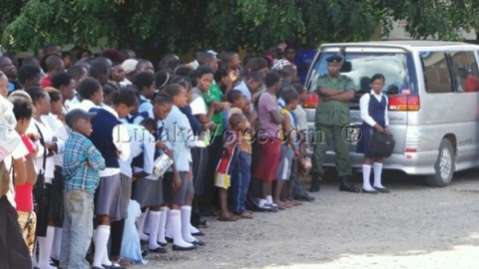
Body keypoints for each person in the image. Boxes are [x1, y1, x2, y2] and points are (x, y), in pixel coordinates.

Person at [88, 88, 133, 269]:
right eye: (128, 110)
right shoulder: (117, 125)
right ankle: (99, 261)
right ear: (121, 106)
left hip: (90, 170)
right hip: (109, 171)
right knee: (105, 215)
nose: (127, 114)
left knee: (92, 216)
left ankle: (103, 258)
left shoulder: (92, 114)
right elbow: (124, 155)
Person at [61, 109, 106, 269]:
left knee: (69, 229)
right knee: (82, 231)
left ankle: (65, 264)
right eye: (88, 121)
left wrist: (88, 162)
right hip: (83, 192)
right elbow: (101, 163)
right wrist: (89, 161)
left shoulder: (69, 141)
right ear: (78, 123)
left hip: (69, 190)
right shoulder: (86, 143)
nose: (91, 125)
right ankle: (77, 265)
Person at [311, 54, 360, 193]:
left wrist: (331, 96)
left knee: (343, 151)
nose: (332, 67)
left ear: (339, 66)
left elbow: (350, 95)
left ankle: (344, 181)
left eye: (335, 65)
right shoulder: (321, 79)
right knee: (319, 150)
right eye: (330, 65)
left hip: (341, 121)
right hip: (323, 121)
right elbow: (322, 90)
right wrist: (341, 94)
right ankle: (316, 179)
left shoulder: (347, 80)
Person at [26, 87, 61, 269]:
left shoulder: (46, 122)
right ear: (37, 101)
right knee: (36, 220)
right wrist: (49, 148)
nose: (50, 103)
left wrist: (53, 146)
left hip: (48, 174)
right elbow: (34, 149)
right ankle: (34, 261)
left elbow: (60, 142)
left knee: (47, 220)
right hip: (37, 175)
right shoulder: (30, 123)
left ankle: (43, 261)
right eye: (47, 99)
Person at [161, 85, 200, 251]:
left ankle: (181, 234)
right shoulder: (180, 116)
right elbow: (190, 141)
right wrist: (201, 140)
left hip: (171, 162)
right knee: (178, 200)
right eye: (184, 95)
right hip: (181, 162)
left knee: (175, 200)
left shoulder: (167, 115)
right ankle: (178, 238)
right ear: (175, 98)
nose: (187, 99)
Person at [10, 95, 38, 255]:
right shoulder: (23, 140)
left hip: (12, 204)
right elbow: (29, 178)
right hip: (23, 204)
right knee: (22, 256)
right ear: (22, 121)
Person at [357, 73, 391, 194]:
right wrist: (375, 125)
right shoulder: (366, 97)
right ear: (371, 84)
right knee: (369, 156)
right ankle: (366, 185)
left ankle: (377, 183)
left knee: (380, 155)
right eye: (376, 83)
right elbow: (364, 115)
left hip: (381, 129)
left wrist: (386, 126)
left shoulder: (384, 97)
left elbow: (385, 113)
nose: (378, 86)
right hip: (369, 129)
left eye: (380, 84)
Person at [254, 71, 283, 210]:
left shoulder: (270, 96)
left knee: (270, 169)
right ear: (276, 83)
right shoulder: (267, 97)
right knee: (267, 170)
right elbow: (276, 118)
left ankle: (268, 198)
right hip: (269, 136)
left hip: (272, 135)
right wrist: (283, 118)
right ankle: (263, 199)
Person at [226, 90, 254, 218]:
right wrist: (252, 118)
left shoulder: (241, 112)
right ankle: (238, 208)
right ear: (236, 100)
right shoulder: (235, 112)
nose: (245, 101)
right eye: (242, 98)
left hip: (245, 148)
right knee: (242, 179)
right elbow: (244, 128)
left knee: (245, 178)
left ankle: (240, 206)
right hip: (241, 149)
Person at [276, 88, 301, 209]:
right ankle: (278, 198)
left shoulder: (288, 113)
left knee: (286, 172)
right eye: (297, 101)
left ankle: (283, 198)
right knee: (283, 173)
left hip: (288, 146)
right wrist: (295, 147)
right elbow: (289, 131)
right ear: (293, 101)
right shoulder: (285, 113)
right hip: (286, 146)